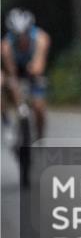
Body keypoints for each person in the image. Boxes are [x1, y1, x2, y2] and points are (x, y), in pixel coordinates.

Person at [1, 9, 51, 140]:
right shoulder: (6, 46)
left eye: (24, 34)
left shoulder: (41, 39)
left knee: (39, 108)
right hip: (16, 72)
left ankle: (40, 138)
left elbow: (39, 66)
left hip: (34, 71)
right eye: (17, 35)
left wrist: (34, 68)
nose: (21, 38)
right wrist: (16, 89)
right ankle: (8, 120)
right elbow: (11, 71)